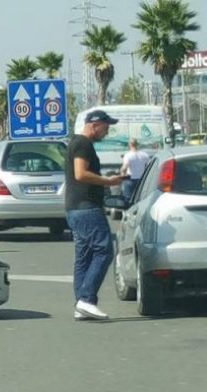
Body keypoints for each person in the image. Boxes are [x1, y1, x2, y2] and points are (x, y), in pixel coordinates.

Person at [64, 110, 125, 320]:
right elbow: (80, 173)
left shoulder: (75, 142)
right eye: (105, 128)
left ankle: (81, 304)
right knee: (104, 251)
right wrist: (109, 181)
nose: (106, 133)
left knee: (84, 256)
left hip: (75, 208)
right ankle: (86, 300)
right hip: (86, 207)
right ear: (94, 125)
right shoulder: (83, 144)